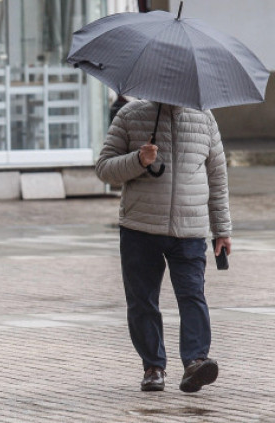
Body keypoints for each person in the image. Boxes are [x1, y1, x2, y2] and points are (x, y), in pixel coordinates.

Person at [95, 99, 232, 393]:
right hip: (140, 227)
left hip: (191, 227)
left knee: (193, 294)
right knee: (142, 300)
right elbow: (104, 169)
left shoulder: (204, 118)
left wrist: (221, 228)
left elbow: (217, 176)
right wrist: (138, 161)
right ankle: (153, 367)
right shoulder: (130, 115)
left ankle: (195, 362)